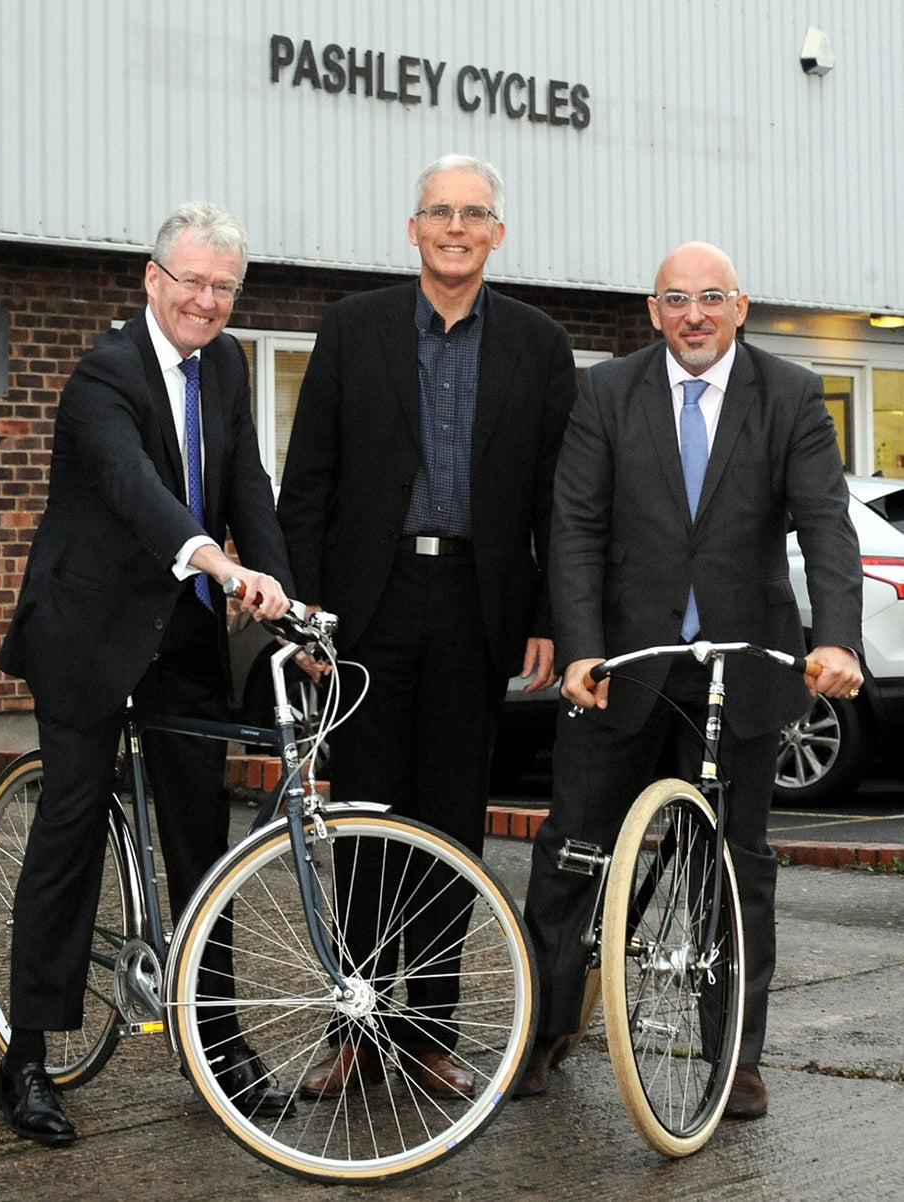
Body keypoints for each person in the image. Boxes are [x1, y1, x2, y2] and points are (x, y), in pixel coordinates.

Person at [519, 241, 863, 1115]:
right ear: (653, 310)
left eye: (712, 298)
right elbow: (574, 529)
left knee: (735, 872)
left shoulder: (787, 396)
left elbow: (826, 524)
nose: (695, 315)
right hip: (622, 670)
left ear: (741, 307)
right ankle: (546, 1031)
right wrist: (580, 646)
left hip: (740, 677)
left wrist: (839, 642)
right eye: (678, 299)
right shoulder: (607, 392)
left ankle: (732, 1057)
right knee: (573, 856)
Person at [0, 201, 301, 1145]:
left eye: (223, 287)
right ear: (153, 279)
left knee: (201, 839)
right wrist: (215, 561)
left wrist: (283, 592)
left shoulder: (228, 367)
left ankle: (218, 1040)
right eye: (193, 282)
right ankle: (28, 1060)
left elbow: (247, 479)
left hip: (179, 639)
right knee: (72, 827)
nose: (207, 302)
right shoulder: (104, 373)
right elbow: (134, 487)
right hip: (87, 632)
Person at [277, 154, 576, 1098]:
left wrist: (544, 614)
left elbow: (555, 500)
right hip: (368, 605)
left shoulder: (537, 343)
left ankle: (433, 1032)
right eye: (439, 212)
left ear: (497, 233)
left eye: (474, 213)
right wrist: (305, 617)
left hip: (479, 608)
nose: (455, 227)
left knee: (452, 822)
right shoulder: (350, 330)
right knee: (363, 819)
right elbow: (309, 484)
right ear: (413, 229)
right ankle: (356, 1030)